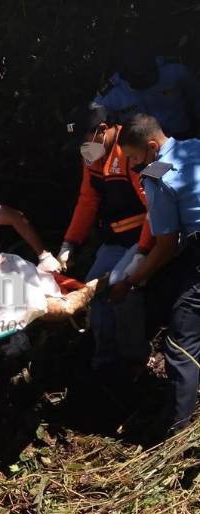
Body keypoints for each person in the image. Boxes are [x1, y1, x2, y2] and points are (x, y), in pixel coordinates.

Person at [114, 113, 200, 439]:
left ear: (152, 147)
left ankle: (177, 433)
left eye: (135, 158)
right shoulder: (194, 146)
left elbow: (165, 246)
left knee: (181, 343)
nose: (133, 165)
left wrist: (130, 280)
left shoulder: (156, 175)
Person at [60, 102, 154, 377]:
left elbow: (154, 209)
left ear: (103, 129)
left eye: (85, 141)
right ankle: (105, 362)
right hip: (114, 238)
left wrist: (143, 252)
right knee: (92, 290)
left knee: (121, 288)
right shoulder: (92, 155)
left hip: (144, 235)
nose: (83, 149)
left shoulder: (129, 150)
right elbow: (88, 199)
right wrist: (69, 243)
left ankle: (136, 360)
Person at [94, 50, 200, 139]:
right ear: (124, 77)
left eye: (147, 75)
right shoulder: (109, 96)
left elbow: (196, 97)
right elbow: (101, 129)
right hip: (142, 148)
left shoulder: (174, 71)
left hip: (183, 135)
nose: (145, 83)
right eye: (139, 79)